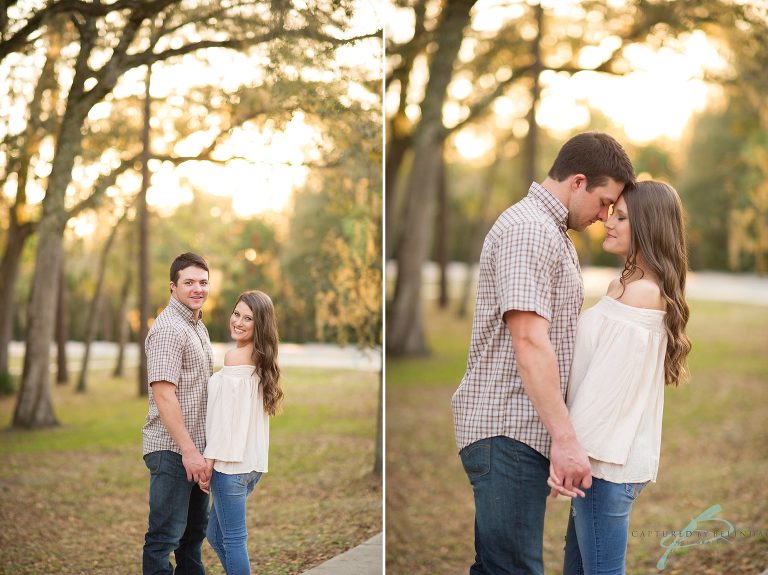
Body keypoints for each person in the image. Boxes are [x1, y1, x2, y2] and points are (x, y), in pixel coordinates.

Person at [451, 131, 636, 575]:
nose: (604, 215)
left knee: (497, 567)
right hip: (507, 429)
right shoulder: (529, 230)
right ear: (577, 182)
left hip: (518, 432)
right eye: (605, 201)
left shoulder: (548, 231)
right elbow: (529, 340)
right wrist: (566, 438)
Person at [549, 181, 691, 574]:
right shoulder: (624, 286)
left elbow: (605, 394)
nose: (609, 222)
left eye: (622, 217)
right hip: (598, 465)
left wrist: (567, 459)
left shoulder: (643, 293)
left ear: (648, 226)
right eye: (613, 212)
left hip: (604, 468)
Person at [198, 290, 284, 575]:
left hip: (230, 468)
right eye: (237, 314)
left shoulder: (235, 357)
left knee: (234, 541)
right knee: (215, 535)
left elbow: (226, 421)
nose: (239, 322)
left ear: (260, 325)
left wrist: (208, 462)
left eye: (248, 318)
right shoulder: (264, 359)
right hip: (251, 466)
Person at [142, 252, 215, 575]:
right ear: (173, 287)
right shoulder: (169, 329)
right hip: (174, 451)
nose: (197, 288)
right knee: (164, 540)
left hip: (195, 451)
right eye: (189, 282)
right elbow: (163, 395)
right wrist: (189, 452)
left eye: (203, 282)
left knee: (192, 538)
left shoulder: (197, 325)